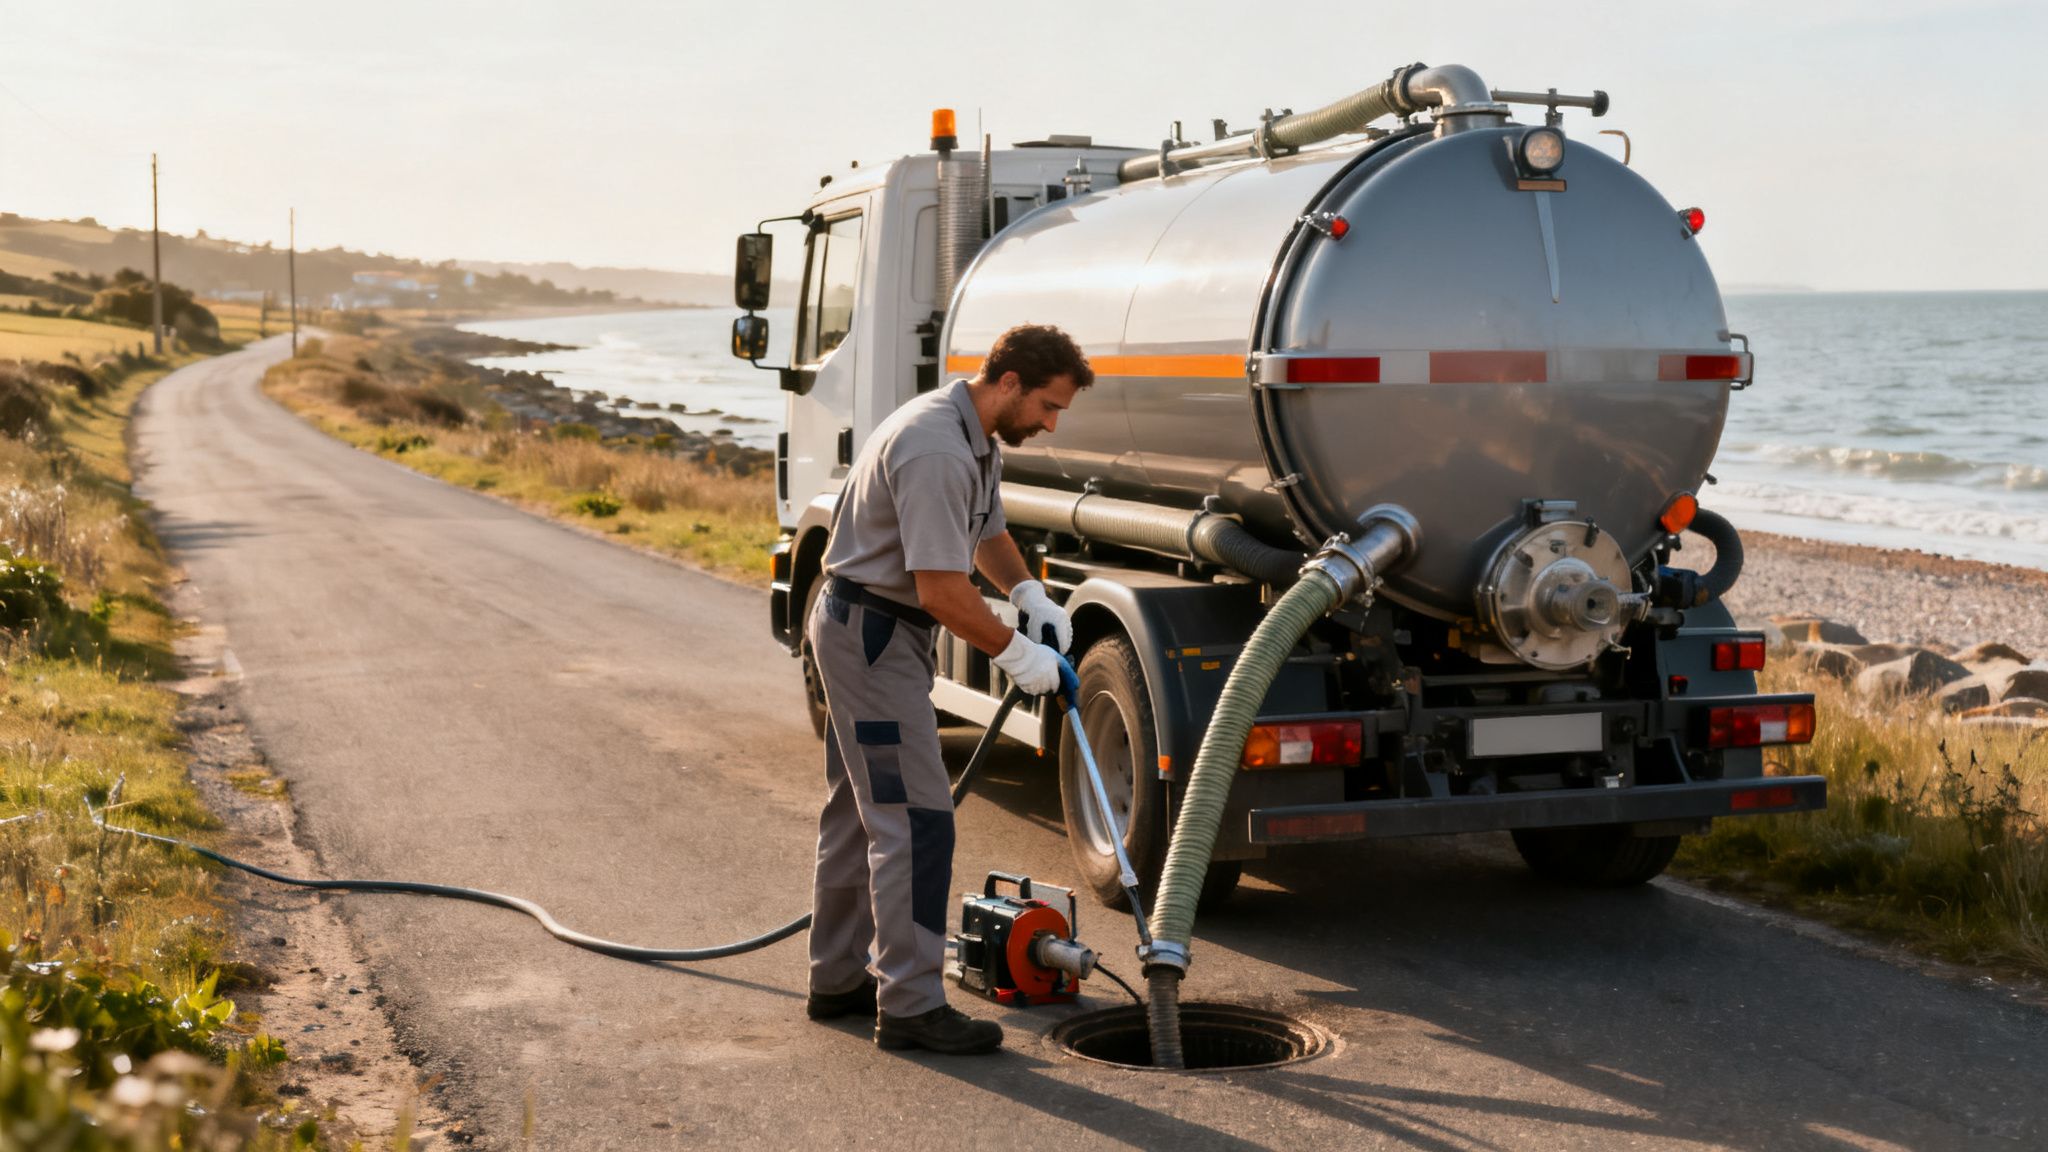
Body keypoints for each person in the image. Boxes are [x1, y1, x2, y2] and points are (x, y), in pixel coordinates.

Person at [803, 323, 1093, 1054]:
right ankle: (910, 1004)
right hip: (874, 637)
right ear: (1009, 382)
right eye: (1048, 406)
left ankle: (839, 979)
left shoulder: (974, 436)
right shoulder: (936, 448)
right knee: (916, 821)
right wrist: (1017, 654)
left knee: (859, 815)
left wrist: (1027, 592)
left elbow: (986, 535)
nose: (1052, 424)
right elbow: (939, 590)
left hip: (867, 628)